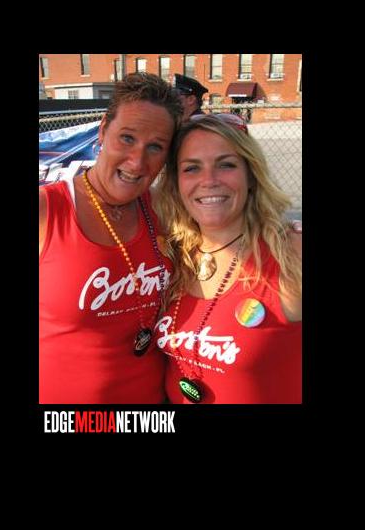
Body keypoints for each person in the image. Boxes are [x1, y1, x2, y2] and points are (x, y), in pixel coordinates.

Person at [39, 72, 183, 404]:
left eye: (155, 147)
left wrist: (282, 232)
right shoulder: (48, 210)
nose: (137, 161)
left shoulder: (165, 210)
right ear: (103, 130)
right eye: (127, 138)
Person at [153, 113, 302, 404]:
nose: (209, 181)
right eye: (192, 168)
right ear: (176, 183)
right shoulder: (171, 256)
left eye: (226, 165)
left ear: (251, 176)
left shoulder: (290, 253)